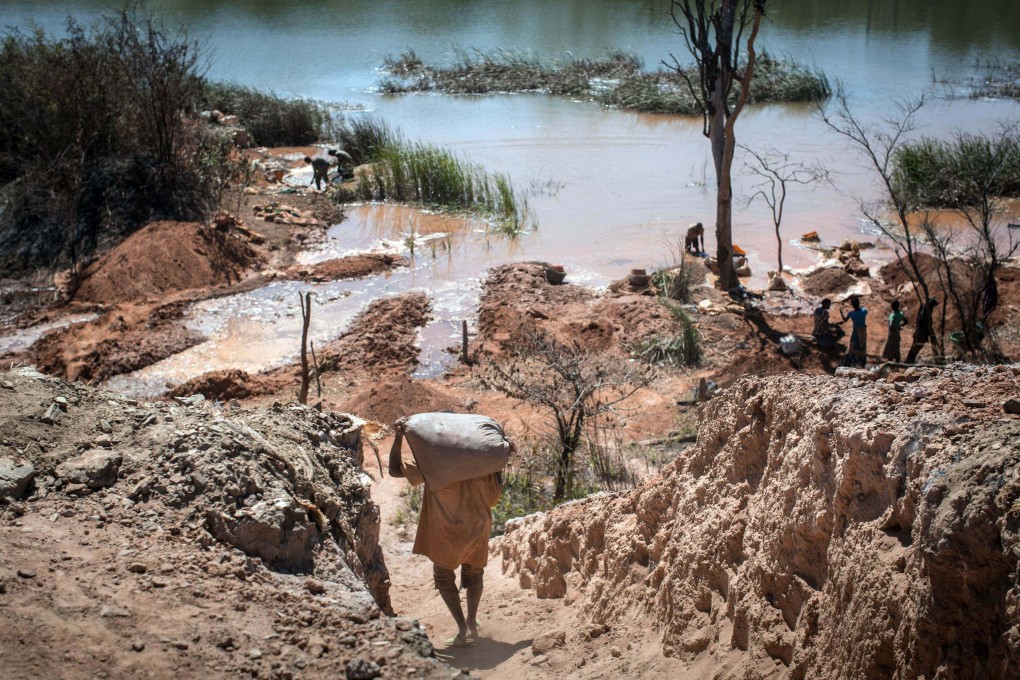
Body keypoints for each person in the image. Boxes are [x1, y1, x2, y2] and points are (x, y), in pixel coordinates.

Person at [388, 416, 504, 647]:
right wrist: (500, 460)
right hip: (479, 527)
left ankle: (462, 628)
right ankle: (472, 621)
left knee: (443, 577)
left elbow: (394, 470)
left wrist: (399, 437)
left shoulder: (432, 463)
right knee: (474, 574)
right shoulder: (484, 464)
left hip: (448, 532)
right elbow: (495, 496)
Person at [906, 298, 938, 364]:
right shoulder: (925, 312)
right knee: (916, 347)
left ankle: (910, 360)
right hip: (921, 334)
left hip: (921, 333)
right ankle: (909, 361)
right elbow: (923, 322)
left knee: (916, 347)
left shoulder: (924, 309)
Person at [840, 295, 868, 366]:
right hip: (863, 331)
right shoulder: (864, 311)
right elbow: (865, 310)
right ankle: (862, 361)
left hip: (855, 331)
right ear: (859, 303)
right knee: (862, 345)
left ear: (852, 305)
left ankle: (852, 361)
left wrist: (841, 313)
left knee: (853, 345)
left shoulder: (851, 313)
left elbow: (845, 320)